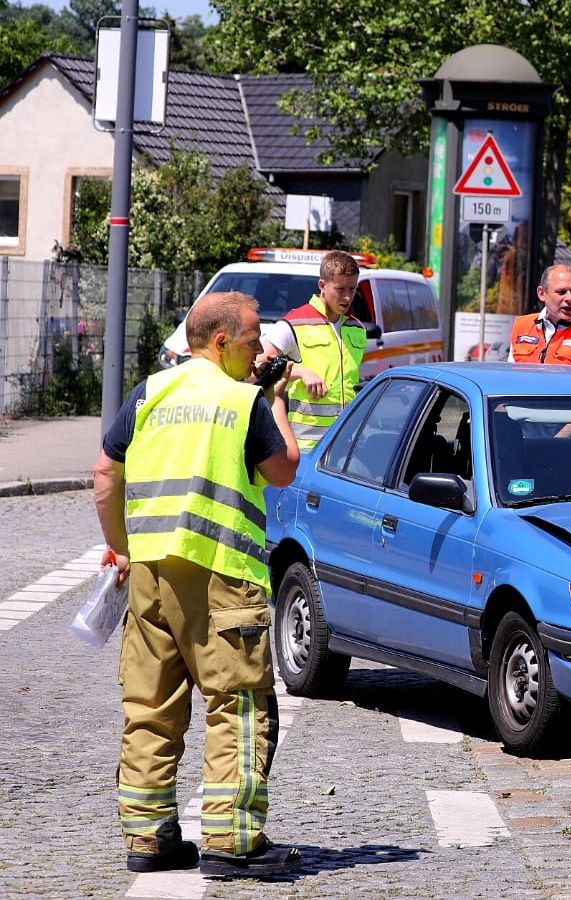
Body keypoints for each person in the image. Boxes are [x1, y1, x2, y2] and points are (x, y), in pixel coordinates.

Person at [92, 291, 303, 878]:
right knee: (236, 704)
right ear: (220, 342)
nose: (258, 350)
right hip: (220, 577)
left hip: (151, 574)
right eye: (251, 339)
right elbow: (284, 469)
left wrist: (122, 548)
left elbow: (105, 473)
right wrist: (277, 401)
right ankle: (232, 841)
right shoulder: (243, 402)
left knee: (149, 705)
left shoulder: (149, 392)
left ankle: (148, 839)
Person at [259, 250, 366, 449]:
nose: (347, 296)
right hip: (306, 445)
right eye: (340, 289)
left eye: (352, 289)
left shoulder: (356, 328)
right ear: (322, 286)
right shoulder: (295, 323)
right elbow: (258, 367)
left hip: (347, 443)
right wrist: (300, 372)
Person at [508, 264, 571, 367]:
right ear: (542, 293)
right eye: (561, 292)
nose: (569, 298)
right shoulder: (521, 326)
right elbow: (511, 375)